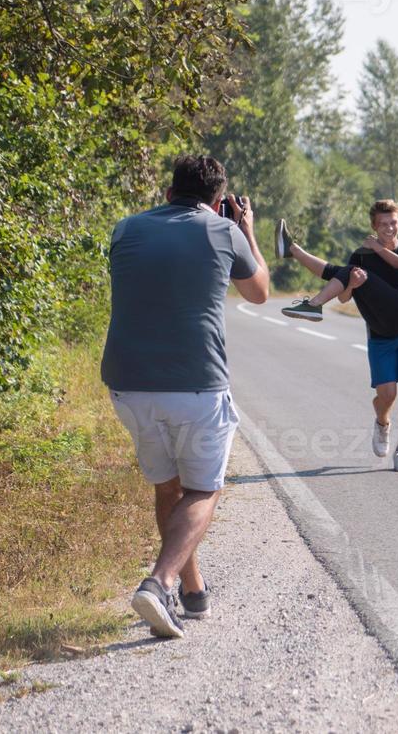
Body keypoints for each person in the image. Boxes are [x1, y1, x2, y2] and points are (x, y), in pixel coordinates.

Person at [101, 155, 269, 640]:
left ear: (170, 190)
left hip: (127, 385)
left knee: (167, 486)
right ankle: (160, 582)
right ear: (218, 200)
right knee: (204, 489)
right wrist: (245, 229)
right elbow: (259, 291)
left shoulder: (126, 228)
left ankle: (191, 593)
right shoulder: (222, 230)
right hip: (195, 383)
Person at [274, 200, 398, 473]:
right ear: (374, 226)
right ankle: (382, 422)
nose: (390, 228)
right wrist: (352, 286)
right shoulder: (362, 256)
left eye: (394, 222)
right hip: (380, 332)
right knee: (387, 395)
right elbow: (344, 296)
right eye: (383, 224)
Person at [279, 217, 398, 327]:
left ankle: (314, 305)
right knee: (347, 272)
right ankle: (294, 251)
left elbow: (397, 262)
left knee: (353, 271)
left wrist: (376, 245)